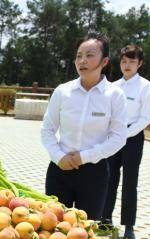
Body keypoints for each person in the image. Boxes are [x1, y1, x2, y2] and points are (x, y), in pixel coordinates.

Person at [41, 32, 128, 220]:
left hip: (94, 173)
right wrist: (58, 156)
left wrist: (85, 157)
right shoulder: (62, 92)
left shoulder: (114, 95)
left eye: (89, 55)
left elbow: (118, 137)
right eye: (79, 56)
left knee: (85, 231)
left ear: (104, 62)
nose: (82, 61)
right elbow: (47, 130)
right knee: (52, 228)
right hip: (60, 169)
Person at [102, 45, 150, 239]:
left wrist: (125, 135)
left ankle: (129, 226)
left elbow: (147, 116)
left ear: (139, 63)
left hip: (133, 137)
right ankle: (105, 219)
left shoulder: (145, 86)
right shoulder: (113, 85)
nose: (127, 65)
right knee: (109, 179)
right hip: (113, 137)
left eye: (132, 61)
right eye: (124, 61)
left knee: (130, 182)